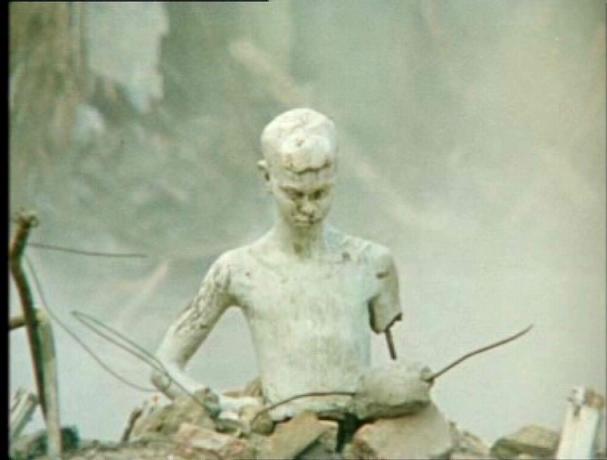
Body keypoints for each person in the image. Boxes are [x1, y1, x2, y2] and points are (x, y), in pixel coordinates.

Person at [151, 108, 404, 420]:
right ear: (267, 177)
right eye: (294, 194)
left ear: (335, 175)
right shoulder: (237, 269)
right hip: (283, 432)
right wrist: (225, 406)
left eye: (320, 193)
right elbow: (163, 366)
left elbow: (395, 361)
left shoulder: (373, 263)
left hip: (358, 431)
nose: (308, 208)